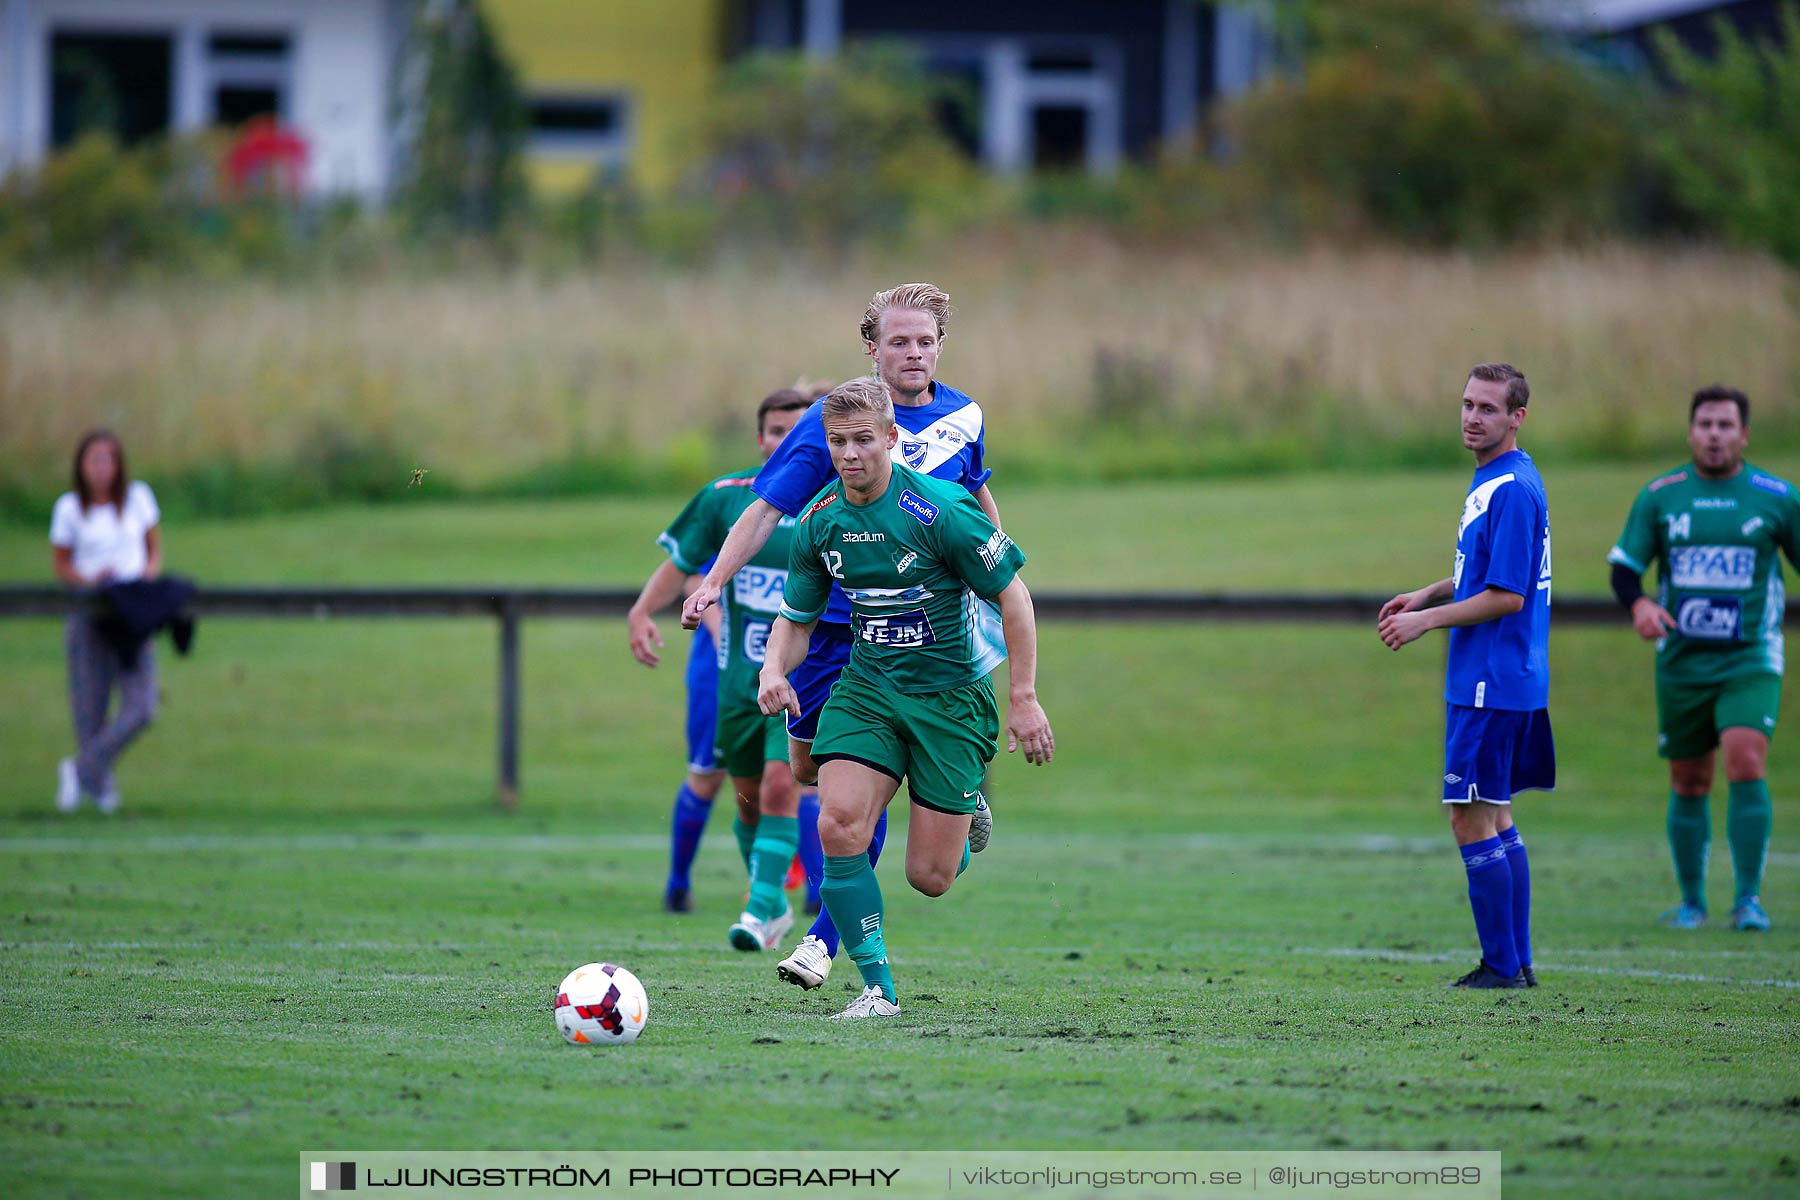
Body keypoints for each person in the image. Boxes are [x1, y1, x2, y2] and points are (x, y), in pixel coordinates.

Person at [680, 283, 1003, 992]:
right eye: (897, 341)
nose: (912, 353)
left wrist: (996, 571)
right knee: (806, 774)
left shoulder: (965, 415)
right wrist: (712, 580)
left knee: (847, 800)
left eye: (924, 340)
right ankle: (948, 800)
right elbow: (767, 510)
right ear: (873, 347)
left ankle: (824, 939)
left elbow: (976, 493)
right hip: (826, 631)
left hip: (911, 646)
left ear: (941, 344)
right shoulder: (837, 424)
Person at [757, 378, 1053, 1018]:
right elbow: (797, 618)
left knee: (930, 877)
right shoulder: (819, 523)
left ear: (892, 438)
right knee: (836, 822)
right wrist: (773, 669)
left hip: (950, 699)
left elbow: (1014, 596)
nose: (850, 454)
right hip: (869, 691)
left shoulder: (941, 510)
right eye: (838, 442)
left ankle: (965, 798)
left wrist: (1023, 697)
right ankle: (877, 991)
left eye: (864, 439)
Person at [1379, 363, 1552, 990]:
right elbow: (1486, 575)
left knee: (1468, 816)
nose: (1472, 417)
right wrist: (1428, 593)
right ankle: (1518, 962)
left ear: (1517, 417)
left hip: (1491, 677)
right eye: (1467, 404)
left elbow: (1507, 596)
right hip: (1500, 676)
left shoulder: (1509, 489)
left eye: (1487, 408)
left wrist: (1429, 623)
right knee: (1497, 815)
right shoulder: (1502, 479)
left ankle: (1502, 966)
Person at [1607, 386, 1794, 933]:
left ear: (1745, 435)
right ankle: (1691, 901)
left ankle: (1749, 900)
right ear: (1691, 433)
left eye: (1726, 425)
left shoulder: (1776, 497)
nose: (1715, 434)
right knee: (1689, 780)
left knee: (1746, 761)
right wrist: (1639, 603)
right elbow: (1624, 569)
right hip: (1682, 663)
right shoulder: (1662, 496)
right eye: (1706, 424)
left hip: (1750, 659)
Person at [628, 388, 810, 946]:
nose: (785, 440)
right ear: (761, 439)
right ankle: (773, 898)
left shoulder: (833, 503)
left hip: (798, 682)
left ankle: (758, 909)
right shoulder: (727, 498)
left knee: (784, 787)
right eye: (776, 431)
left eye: (797, 430)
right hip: (735, 683)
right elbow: (681, 562)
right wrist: (640, 611)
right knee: (748, 801)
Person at [49, 429, 163, 814]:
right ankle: (99, 787)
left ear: (119, 465)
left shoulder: (138, 499)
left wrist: (143, 582)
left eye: (108, 460)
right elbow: (62, 563)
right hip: (90, 613)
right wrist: (93, 581)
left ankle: (80, 770)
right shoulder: (69, 509)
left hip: (132, 614)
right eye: (93, 460)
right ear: (81, 465)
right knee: (89, 708)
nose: (101, 468)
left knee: (142, 706)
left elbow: (153, 551)